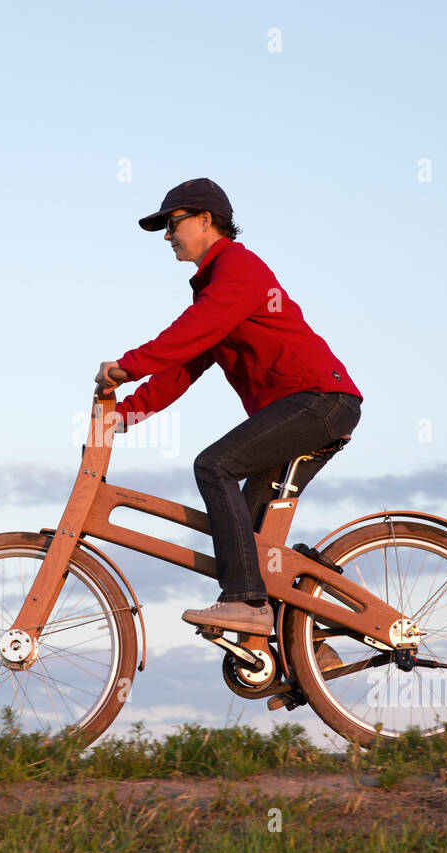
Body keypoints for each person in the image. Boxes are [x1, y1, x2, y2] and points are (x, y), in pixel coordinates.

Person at [95, 178, 362, 652]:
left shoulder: (237, 268)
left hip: (319, 401)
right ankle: (307, 649)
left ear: (205, 219)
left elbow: (189, 333)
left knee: (214, 466)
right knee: (257, 545)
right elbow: (186, 365)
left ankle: (244, 600)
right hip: (304, 408)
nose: (166, 236)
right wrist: (125, 416)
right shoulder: (216, 291)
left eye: (171, 223)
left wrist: (127, 366)